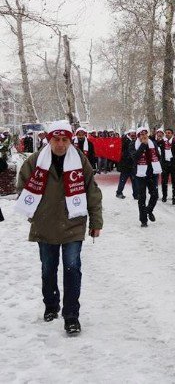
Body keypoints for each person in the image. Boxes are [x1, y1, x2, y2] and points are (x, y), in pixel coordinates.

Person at [15, 120, 103, 335]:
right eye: (57, 139)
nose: (61, 144)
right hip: (45, 224)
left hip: (73, 222)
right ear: (49, 139)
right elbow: (22, 187)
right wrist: (33, 214)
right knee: (48, 268)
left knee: (72, 269)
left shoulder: (80, 161)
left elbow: (92, 190)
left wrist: (96, 221)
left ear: (70, 140)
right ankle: (51, 305)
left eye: (65, 139)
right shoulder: (36, 161)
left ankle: (71, 316)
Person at [132, 127, 162, 227]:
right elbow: (135, 157)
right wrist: (143, 145)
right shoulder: (133, 144)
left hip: (152, 172)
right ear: (138, 136)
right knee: (142, 197)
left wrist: (157, 165)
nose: (144, 136)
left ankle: (148, 210)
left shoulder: (153, 143)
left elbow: (158, 156)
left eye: (145, 134)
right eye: (141, 134)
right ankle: (143, 220)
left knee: (155, 195)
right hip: (140, 174)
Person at [157, 128, 175, 204]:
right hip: (165, 165)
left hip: (173, 165)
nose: (167, 134)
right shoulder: (163, 142)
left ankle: (174, 198)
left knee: (174, 183)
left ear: (172, 134)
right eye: (166, 133)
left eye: (169, 133)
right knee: (164, 182)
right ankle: (164, 196)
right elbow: (155, 144)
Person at [116, 129, 138, 199]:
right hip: (125, 164)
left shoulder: (136, 141)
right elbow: (122, 151)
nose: (133, 136)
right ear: (128, 134)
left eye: (134, 134)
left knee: (134, 181)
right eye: (132, 135)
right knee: (123, 180)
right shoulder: (124, 141)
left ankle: (136, 194)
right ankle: (119, 192)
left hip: (132, 165)